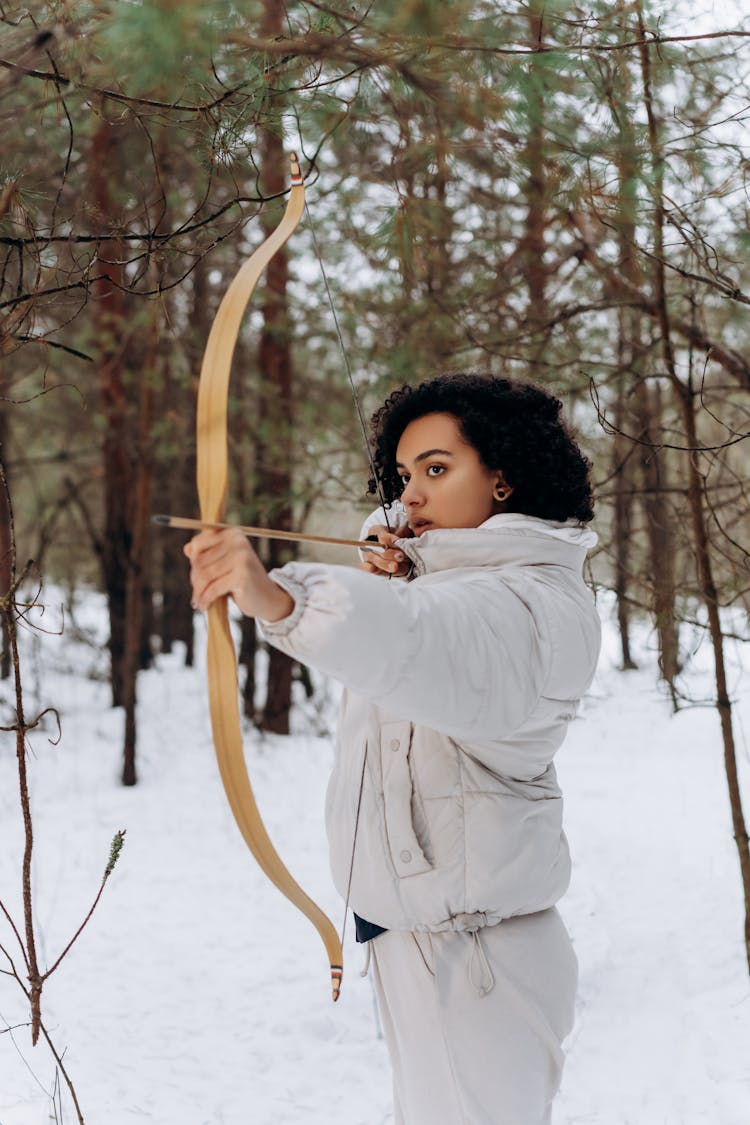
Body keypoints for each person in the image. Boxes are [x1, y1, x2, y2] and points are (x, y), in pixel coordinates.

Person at [186, 373, 601, 1125]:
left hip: (480, 963)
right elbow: (428, 621)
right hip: (430, 944)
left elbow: (426, 641)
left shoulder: (536, 604)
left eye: (437, 470)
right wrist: (412, 567)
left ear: (503, 478)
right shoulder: (454, 585)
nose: (409, 495)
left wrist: (283, 600)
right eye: (406, 475)